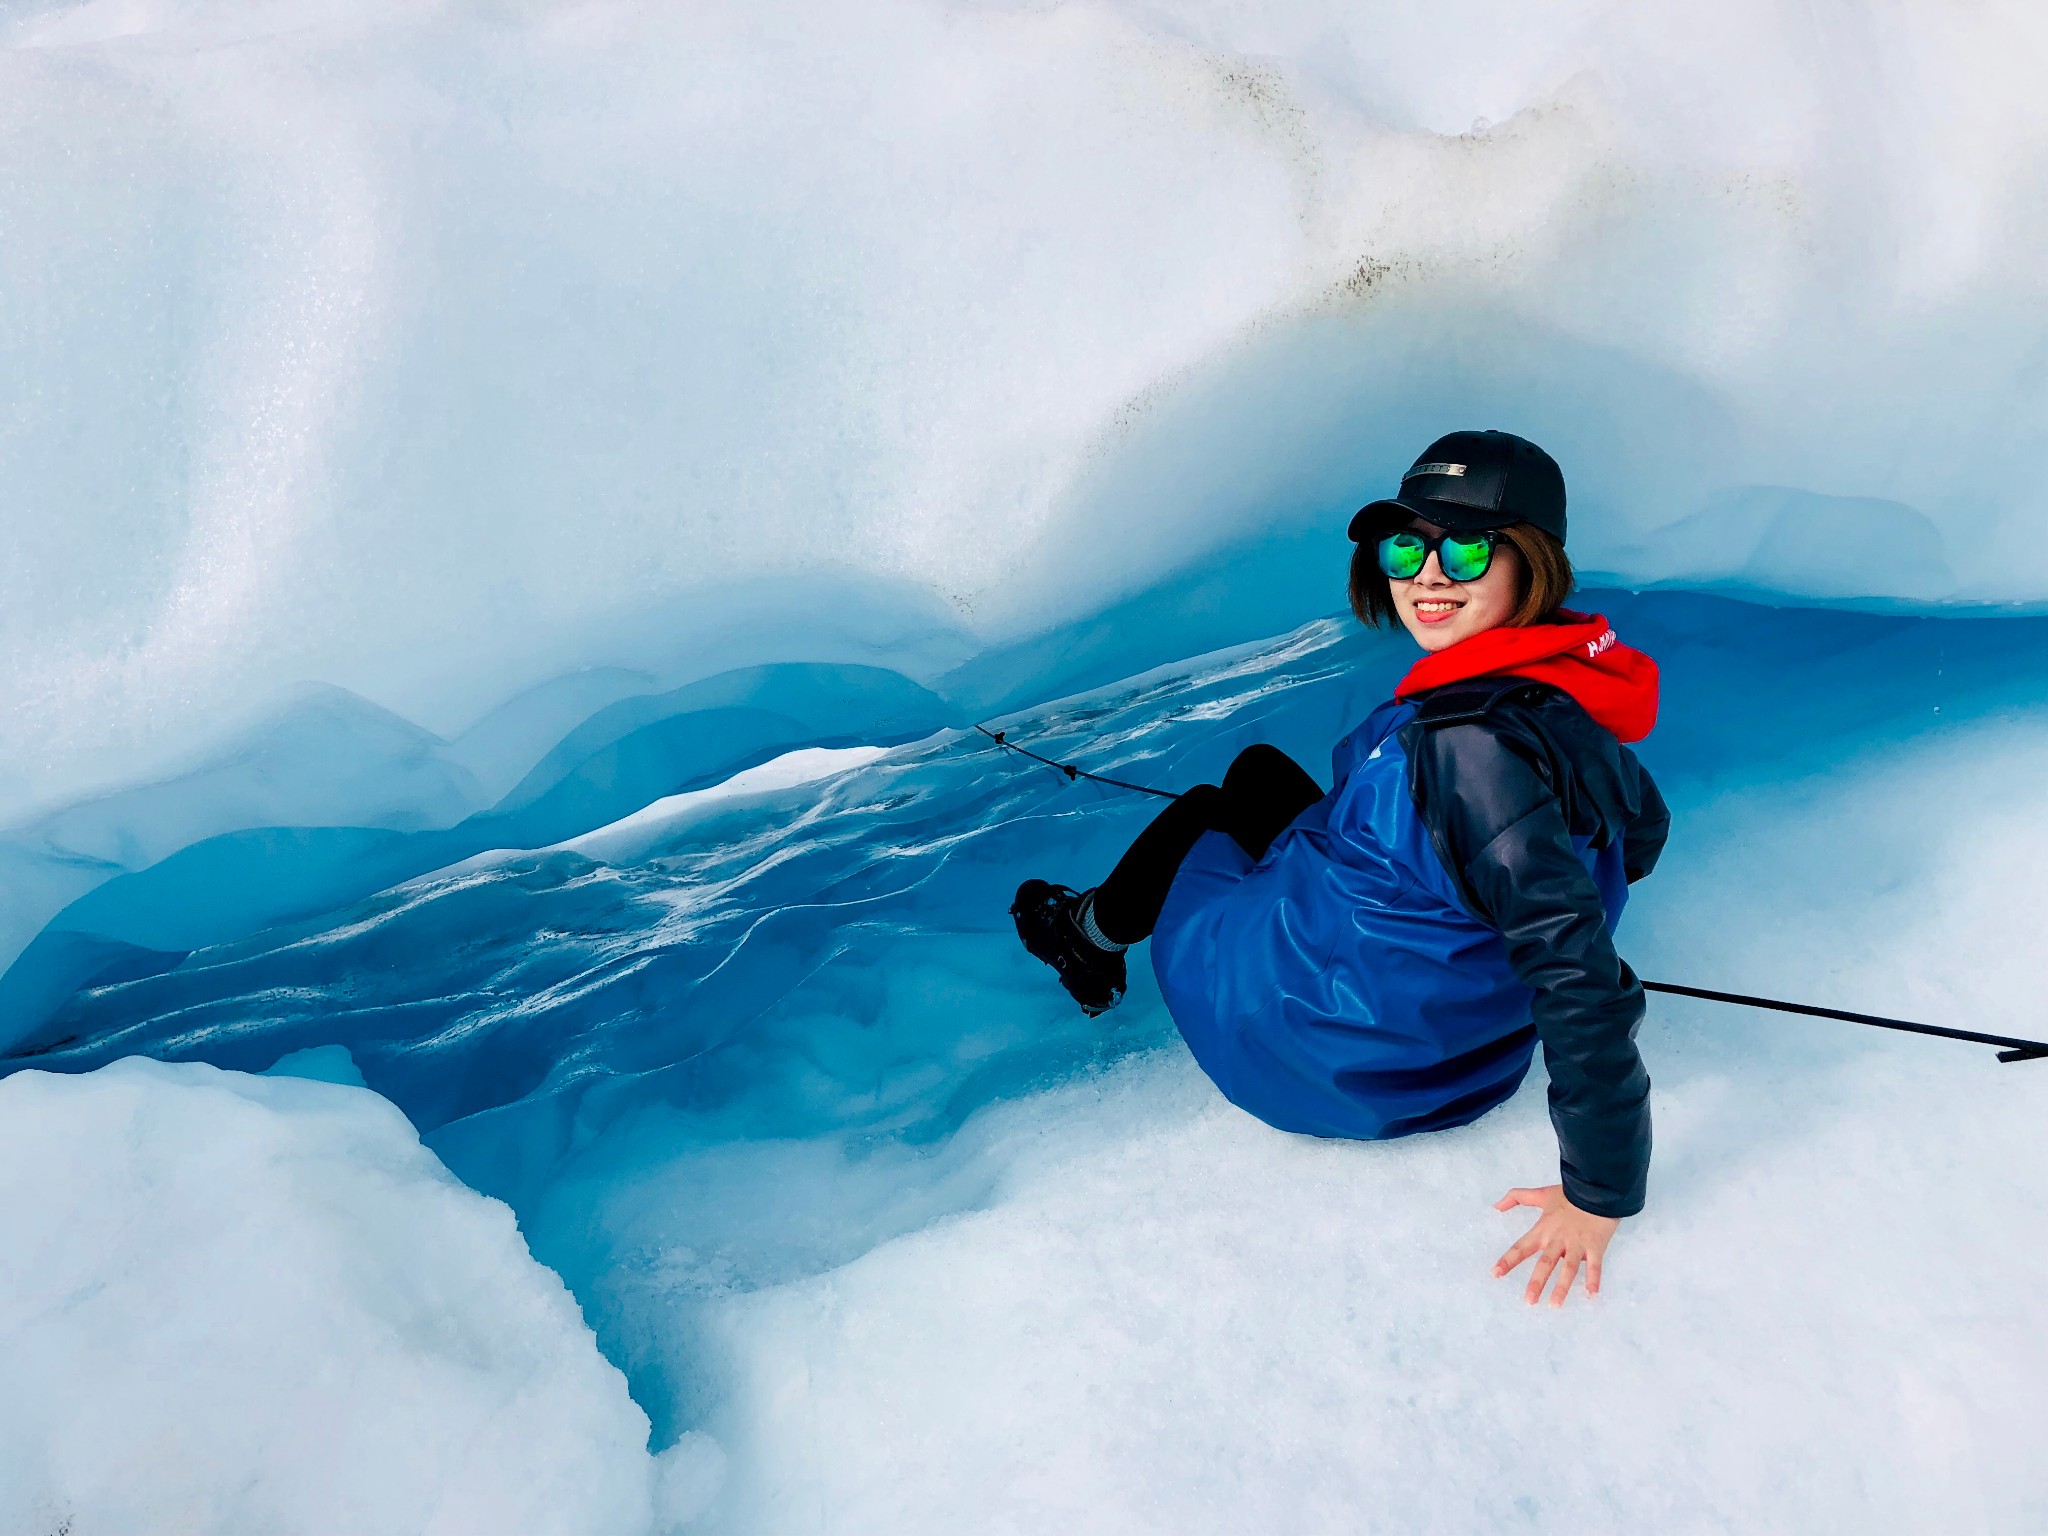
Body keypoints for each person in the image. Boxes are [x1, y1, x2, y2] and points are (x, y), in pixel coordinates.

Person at [1011, 429, 1668, 1308]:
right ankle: (1129, 913)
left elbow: (1579, 979)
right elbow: (1641, 837)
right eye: (1406, 544)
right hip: (1452, 1043)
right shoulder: (1570, 694)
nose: (1429, 574)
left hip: (1324, 1046)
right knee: (1257, 775)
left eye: (1467, 548)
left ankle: (1087, 937)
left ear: (1532, 562)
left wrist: (1600, 1195)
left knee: (1210, 814)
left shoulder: (1471, 751)